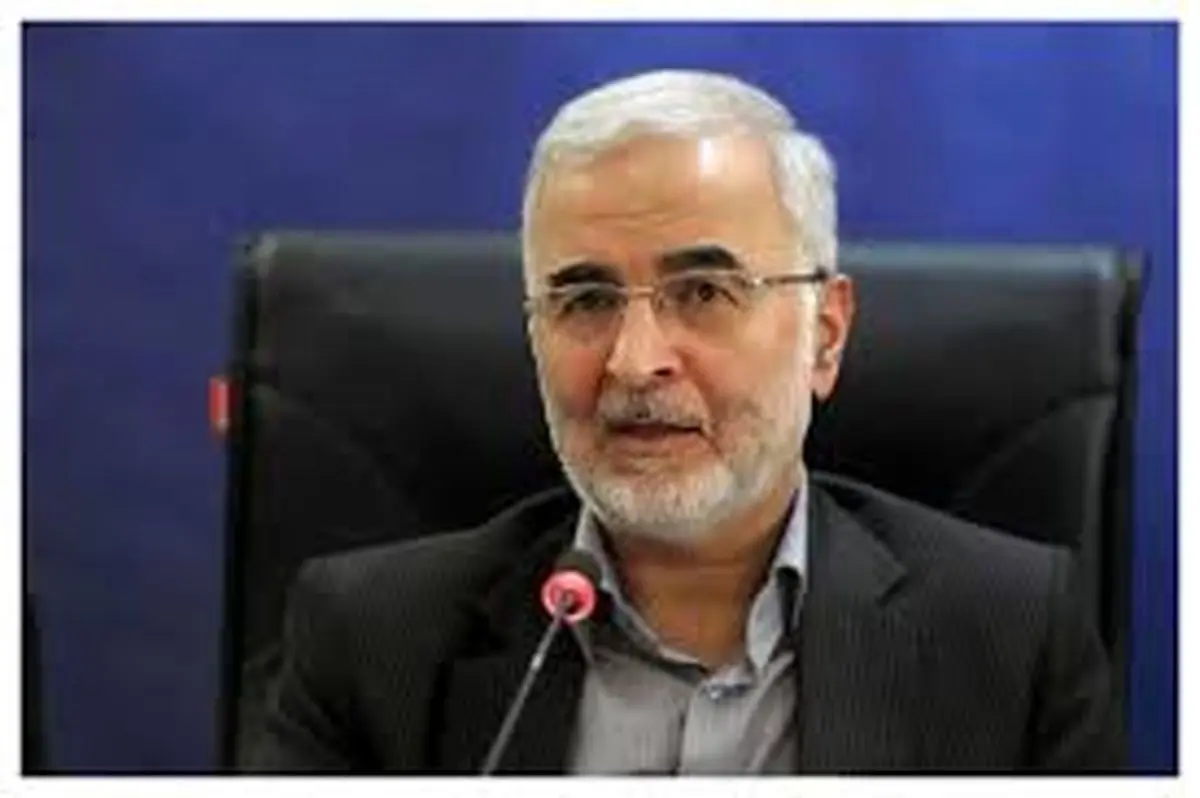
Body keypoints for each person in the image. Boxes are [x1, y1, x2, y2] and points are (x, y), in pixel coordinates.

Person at [244, 69, 1123, 774]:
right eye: (585, 299)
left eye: (702, 292)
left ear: (824, 335)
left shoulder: (1010, 638)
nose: (634, 362)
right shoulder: (369, 641)